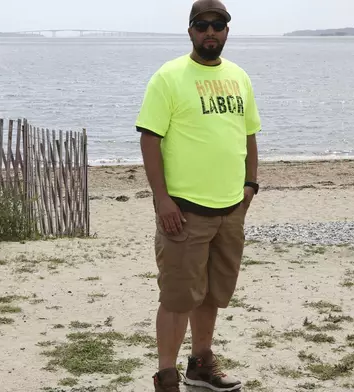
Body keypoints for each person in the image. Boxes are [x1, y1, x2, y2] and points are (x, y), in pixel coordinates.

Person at [135, 0, 261, 391]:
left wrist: (251, 185)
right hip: (184, 212)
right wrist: (162, 199)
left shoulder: (239, 76)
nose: (210, 32)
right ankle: (167, 376)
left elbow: (249, 134)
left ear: (227, 31)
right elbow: (150, 140)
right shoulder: (169, 77)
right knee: (177, 297)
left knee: (211, 293)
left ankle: (201, 364)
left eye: (218, 25)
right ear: (190, 31)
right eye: (202, 25)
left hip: (230, 208)